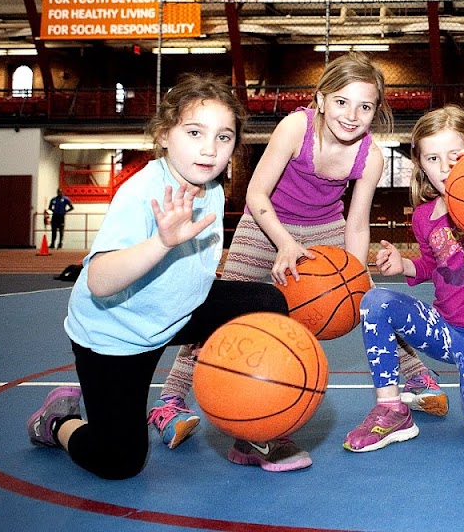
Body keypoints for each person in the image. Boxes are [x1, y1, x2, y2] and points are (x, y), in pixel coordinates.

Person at [147, 53, 444, 462]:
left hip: (325, 229)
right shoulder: (295, 127)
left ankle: (416, 376)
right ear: (320, 99)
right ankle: (171, 401)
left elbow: (357, 225)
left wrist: (355, 276)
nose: (352, 115)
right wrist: (284, 242)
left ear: (377, 112)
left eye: (365, 106)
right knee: (220, 311)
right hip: (266, 223)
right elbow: (256, 194)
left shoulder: (370, 156)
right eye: (341, 102)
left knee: (368, 302)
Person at [25, 75, 293, 480]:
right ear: (165, 135)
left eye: (224, 137)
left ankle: (253, 429)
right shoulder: (142, 194)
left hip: (177, 311)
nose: (210, 148)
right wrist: (162, 243)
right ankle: (57, 422)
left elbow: (195, 264)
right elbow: (98, 281)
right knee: (119, 462)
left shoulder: (211, 186)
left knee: (268, 303)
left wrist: (221, 337)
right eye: (194, 132)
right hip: (118, 335)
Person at [344, 105, 464, 451]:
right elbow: (430, 264)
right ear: (420, 164)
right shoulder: (424, 216)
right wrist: (403, 266)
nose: (445, 167)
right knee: (375, 300)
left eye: (454, 155)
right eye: (432, 159)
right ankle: (392, 408)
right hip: (443, 329)